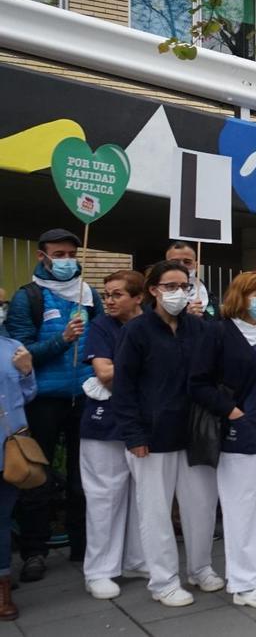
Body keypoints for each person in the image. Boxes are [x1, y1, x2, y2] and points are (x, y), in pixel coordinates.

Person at [113, 261, 221, 608]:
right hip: (152, 436)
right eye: (170, 286)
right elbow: (124, 386)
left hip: (194, 433)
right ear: (153, 290)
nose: (179, 292)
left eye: (184, 285)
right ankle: (163, 580)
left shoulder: (200, 329)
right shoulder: (138, 331)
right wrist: (134, 434)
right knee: (156, 511)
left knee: (201, 506)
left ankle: (200, 567)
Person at [188, 272, 256, 608]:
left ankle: (253, 574)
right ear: (240, 295)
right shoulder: (219, 333)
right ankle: (244, 584)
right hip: (238, 432)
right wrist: (231, 411)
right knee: (240, 509)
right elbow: (198, 383)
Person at [5, 228, 101, 580]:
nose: (66, 261)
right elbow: (21, 353)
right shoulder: (26, 298)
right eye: (58, 255)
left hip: (85, 397)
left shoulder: (88, 294)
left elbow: (101, 336)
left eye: (71, 254)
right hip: (43, 400)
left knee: (83, 477)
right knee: (37, 477)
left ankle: (82, 544)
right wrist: (62, 340)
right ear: (41, 257)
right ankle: (34, 551)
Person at [80, 271, 148, 600]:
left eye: (117, 294)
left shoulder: (153, 324)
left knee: (143, 496)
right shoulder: (102, 327)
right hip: (104, 425)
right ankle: (99, 571)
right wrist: (150, 366)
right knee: (105, 497)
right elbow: (105, 375)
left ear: (139, 297)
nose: (108, 300)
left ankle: (137, 560)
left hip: (145, 423)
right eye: (106, 294)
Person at [0, 335, 35, 619]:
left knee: (2, 518)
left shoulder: (13, 347)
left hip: (9, 448)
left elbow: (27, 394)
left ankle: (3, 585)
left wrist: (25, 371)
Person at [165, 241, 215, 318]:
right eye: (175, 262)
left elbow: (215, 326)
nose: (181, 266)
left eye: (187, 262)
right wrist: (185, 317)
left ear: (197, 266)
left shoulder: (209, 296)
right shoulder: (158, 294)